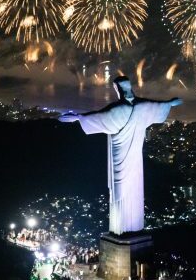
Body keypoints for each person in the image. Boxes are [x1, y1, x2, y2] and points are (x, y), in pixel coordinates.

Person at [59, 76, 182, 234]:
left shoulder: (121, 109)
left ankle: (124, 229)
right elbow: (158, 106)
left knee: (122, 189)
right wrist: (170, 103)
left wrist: (77, 117)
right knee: (126, 189)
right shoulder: (142, 106)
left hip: (124, 156)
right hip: (132, 156)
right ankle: (128, 228)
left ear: (117, 90)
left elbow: (99, 117)